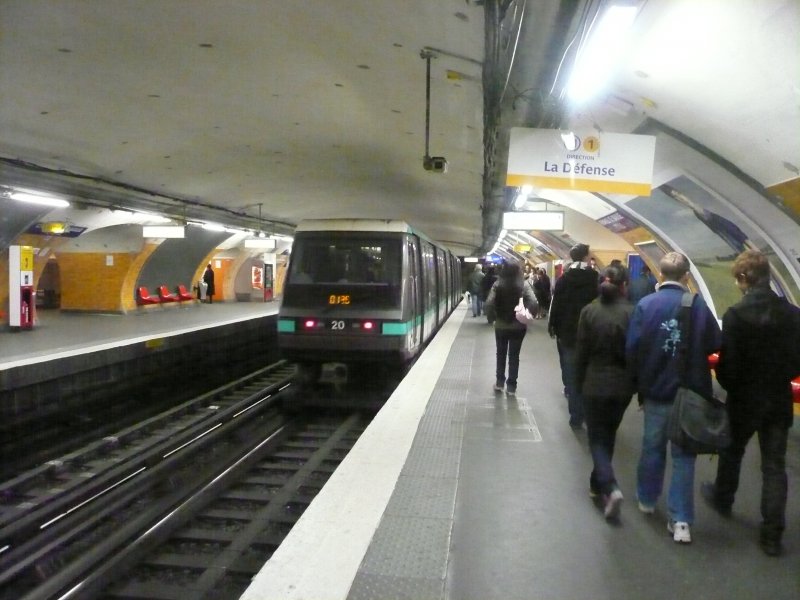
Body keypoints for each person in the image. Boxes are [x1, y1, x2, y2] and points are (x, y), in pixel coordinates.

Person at [700, 250, 800, 556]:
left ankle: (723, 497)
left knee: (732, 451)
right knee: (774, 466)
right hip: (778, 399)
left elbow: (727, 366)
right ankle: (772, 534)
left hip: (744, 398)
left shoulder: (735, 316)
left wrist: (732, 387)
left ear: (745, 278)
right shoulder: (793, 314)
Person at [625, 252, 721, 544]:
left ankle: (647, 499)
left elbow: (633, 349)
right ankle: (681, 521)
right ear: (687, 277)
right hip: (690, 394)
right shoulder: (699, 306)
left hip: (655, 391)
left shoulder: (645, 305)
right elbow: (715, 343)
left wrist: (639, 385)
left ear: (661, 274)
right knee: (684, 456)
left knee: (652, 447)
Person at [575, 264, 635, 520]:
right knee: (608, 434)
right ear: (624, 286)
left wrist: (578, 384)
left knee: (597, 439)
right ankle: (596, 485)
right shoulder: (633, 313)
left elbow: (581, 354)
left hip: (594, 383)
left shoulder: (589, 311)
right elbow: (636, 352)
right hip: (622, 387)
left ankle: (609, 487)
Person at [548, 243, 599, 427]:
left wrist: (553, 326)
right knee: (587, 373)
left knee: (571, 372)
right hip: (590, 333)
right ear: (586, 257)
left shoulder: (564, 279)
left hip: (567, 333)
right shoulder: (595, 279)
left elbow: (557, 305)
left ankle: (576, 415)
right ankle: (588, 411)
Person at [484, 261, 537, 396]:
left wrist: (492, 318)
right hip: (519, 326)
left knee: (500, 354)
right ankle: (512, 387)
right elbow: (534, 302)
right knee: (514, 356)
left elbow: (489, 303)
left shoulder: (497, 284)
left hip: (501, 325)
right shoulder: (524, 285)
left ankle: (499, 383)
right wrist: (529, 315)